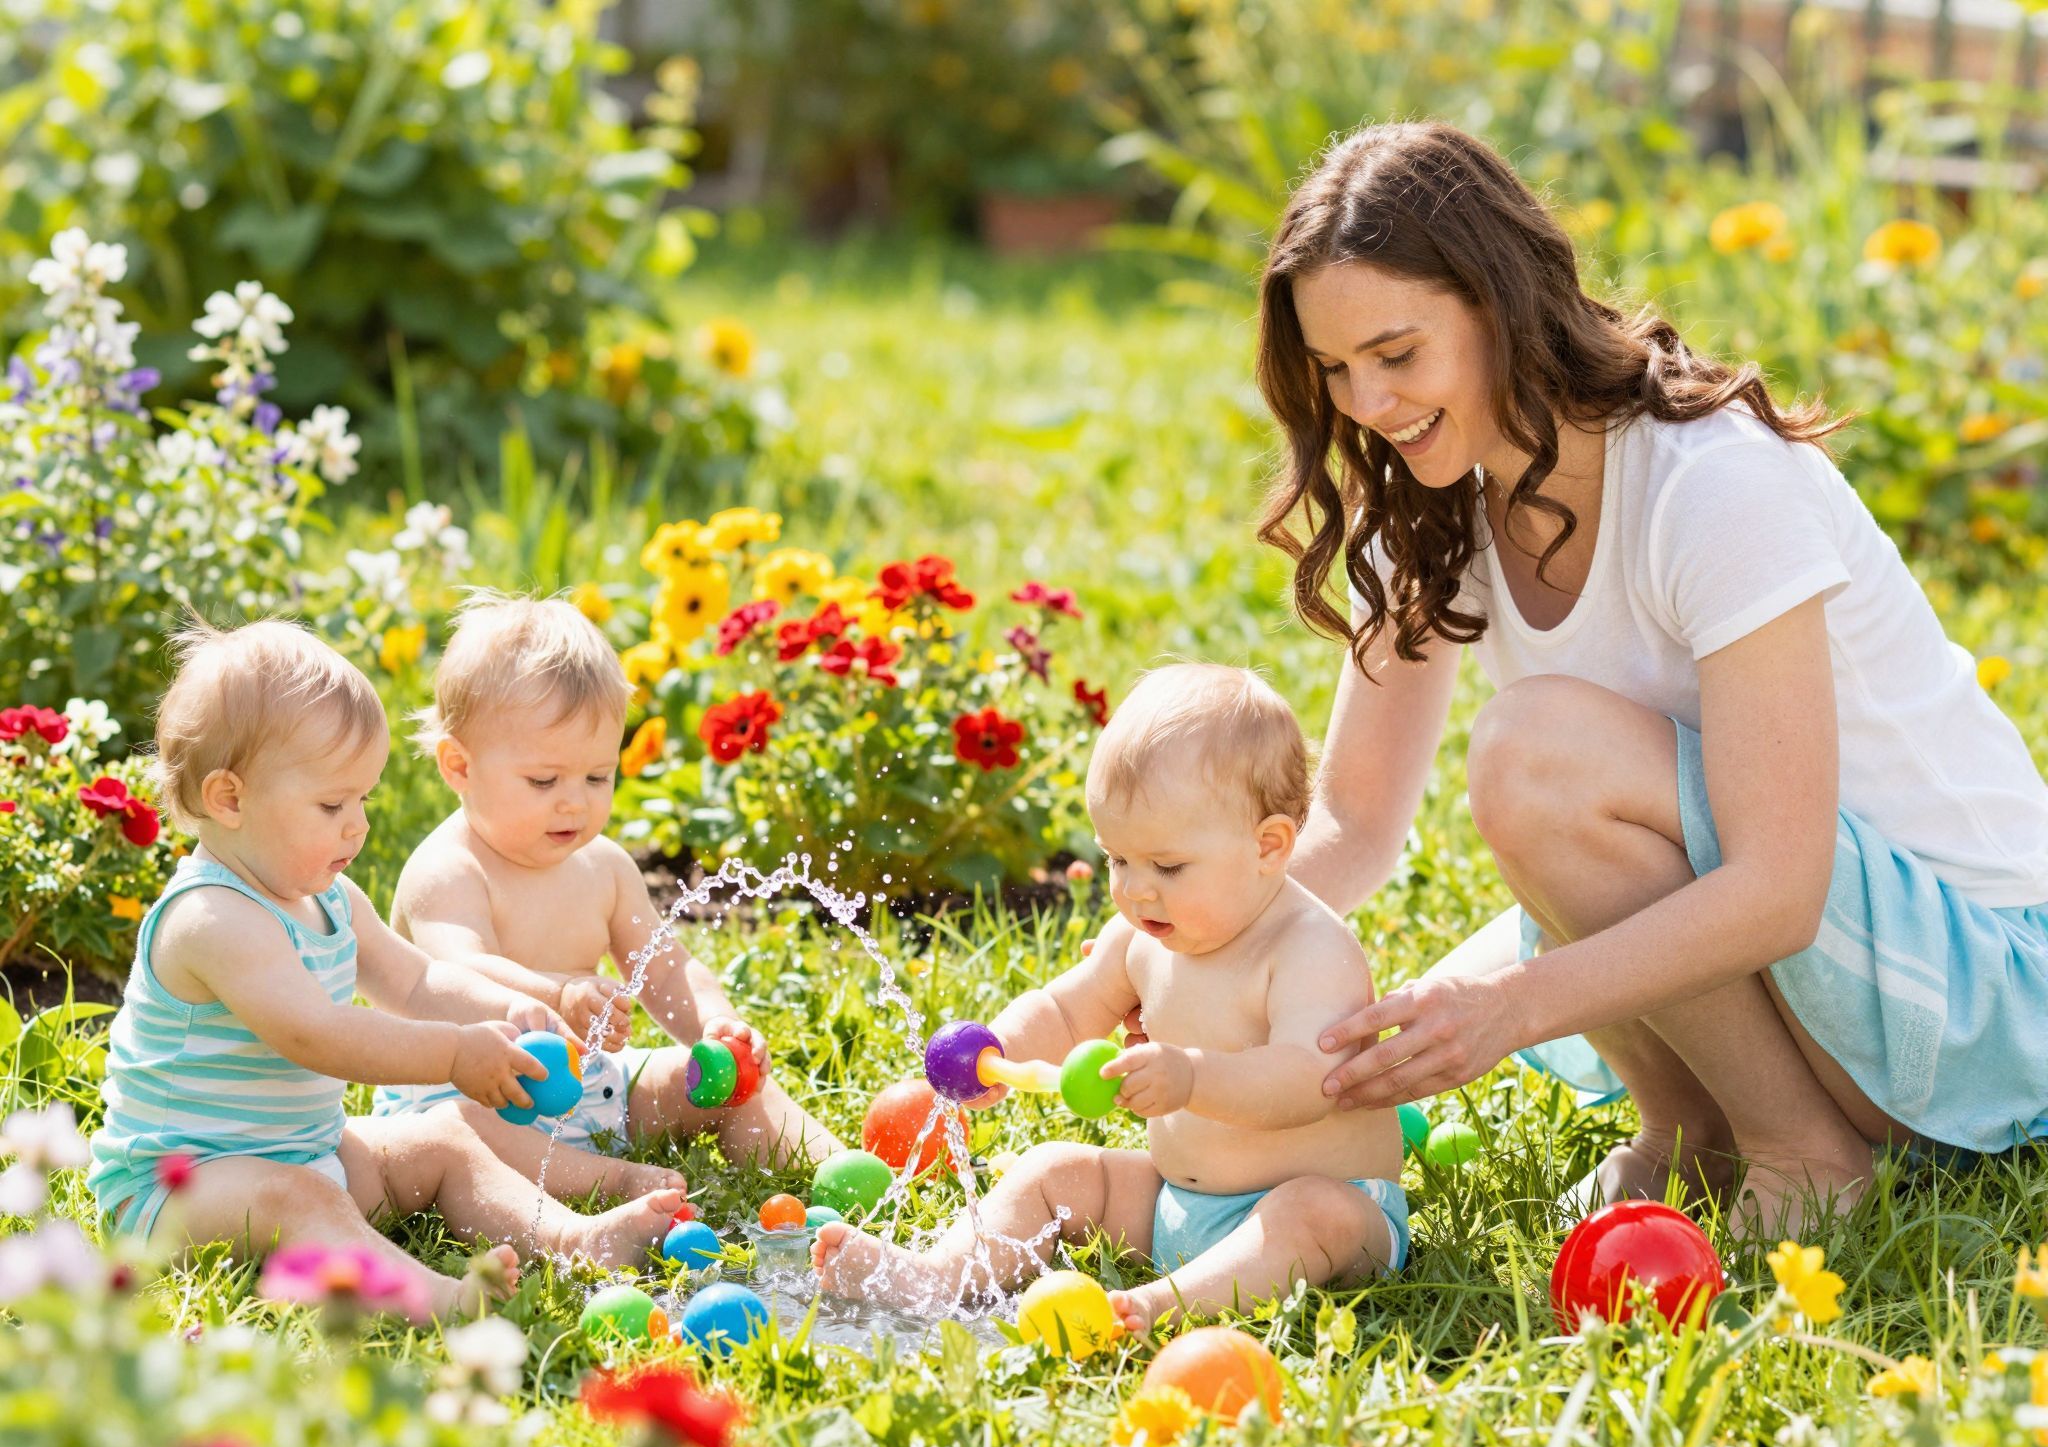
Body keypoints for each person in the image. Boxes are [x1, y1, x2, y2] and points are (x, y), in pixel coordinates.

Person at [1258, 122, 2048, 1234]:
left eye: (1396, 354)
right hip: (1827, 984)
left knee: (1533, 758)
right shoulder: (1430, 495)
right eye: (1334, 370)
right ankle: (1691, 1140)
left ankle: (1803, 1156)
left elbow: (1778, 885)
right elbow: (1350, 822)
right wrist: (1137, 961)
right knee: (1534, 775)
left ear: (1501, 303)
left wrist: (1511, 1007)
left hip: (1980, 1010)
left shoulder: (1708, 481)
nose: (1367, 405)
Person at [85, 619, 688, 1320]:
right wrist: (454, 1053)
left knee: (445, 1137)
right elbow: (317, 1035)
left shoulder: (331, 900)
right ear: (229, 799)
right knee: (302, 1200)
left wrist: (500, 1011)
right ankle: (443, 1302)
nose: (358, 826)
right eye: (332, 804)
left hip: (310, 1151)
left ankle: (577, 1238)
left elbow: (414, 981)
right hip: (177, 1193)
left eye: (363, 799)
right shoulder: (212, 919)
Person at [812, 664, 1406, 1333]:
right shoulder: (1142, 936)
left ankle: (1165, 1304)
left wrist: (1190, 1077)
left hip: (1331, 1214)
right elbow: (1067, 1008)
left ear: (1268, 846)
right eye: (1118, 861)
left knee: (1310, 1215)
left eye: (1168, 866)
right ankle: (937, 1275)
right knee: (1052, 1170)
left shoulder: (1309, 950)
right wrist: (999, 1054)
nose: (1137, 890)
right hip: (1174, 1201)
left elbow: (1308, 1080)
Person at [384, 592, 841, 1181]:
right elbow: (460, 971)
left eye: (598, 775)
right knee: (463, 1138)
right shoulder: (448, 870)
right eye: (543, 779)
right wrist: (558, 994)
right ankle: (611, 1183)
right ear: (460, 767)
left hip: (600, 1093)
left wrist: (715, 1026)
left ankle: (832, 1166)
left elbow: (666, 969)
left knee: (714, 1082)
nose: (575, 799)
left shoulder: (603, 866)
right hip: (478, 1099)